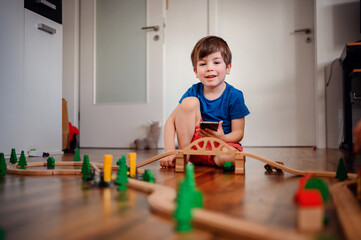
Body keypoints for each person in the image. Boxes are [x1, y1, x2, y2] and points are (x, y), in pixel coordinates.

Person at [160, 36, 250, 168]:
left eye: (216, 62)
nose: (209, 68)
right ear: (196, 71)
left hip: (222, 146)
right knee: (189, 102)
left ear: (228, 68)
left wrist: (222, 138)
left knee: (233, 158)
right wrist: (169, 152)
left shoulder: (235, 96)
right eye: (203, 64)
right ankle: (184, 155)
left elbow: (238, 133)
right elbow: (170, 122)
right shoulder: (193, 92)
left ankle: (216, 160)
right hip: (196, 148)